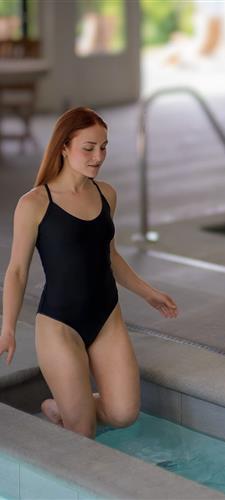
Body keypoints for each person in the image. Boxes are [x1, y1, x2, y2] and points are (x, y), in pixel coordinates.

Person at [0, 107, 178, 439]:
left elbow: (108, 256)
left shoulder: (105, 194)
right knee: (83, 432)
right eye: (89, 147)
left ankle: (63, 408)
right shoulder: (35, 203)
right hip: (59, 324)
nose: (98, 156)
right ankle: (66, 410)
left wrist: (147, 291)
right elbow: (17, 272)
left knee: (123, 414)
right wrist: (7, 327)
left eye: (104, 147)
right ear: (64, 147)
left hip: (106, 316)